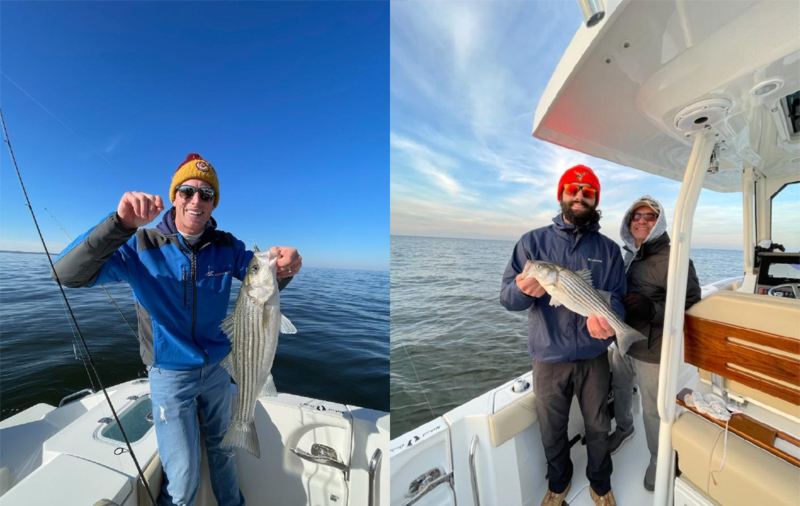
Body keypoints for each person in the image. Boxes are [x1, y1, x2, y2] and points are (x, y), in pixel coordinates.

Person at [52, 153, 302, 506]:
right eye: (187, 191)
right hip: (169, 375)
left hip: (219, 371)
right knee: (182, 481)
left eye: (206, 194)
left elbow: (261, 287)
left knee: (226, 458)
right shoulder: (140, 245)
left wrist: (287, 267)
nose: (196, 201)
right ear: (174, 196)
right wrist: (119, 224)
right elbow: (67, 274)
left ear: (214, 203)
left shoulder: (227, 246)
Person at [500, 165, 626, 506]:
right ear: (561, 195)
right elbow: (507, 298)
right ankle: (559, 484)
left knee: (599, 426)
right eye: (573, 189)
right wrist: (525, 290)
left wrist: (613, 325)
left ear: (596, 199)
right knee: (550, 430)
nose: (579, 196)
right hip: (548, 358)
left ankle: (600, 485)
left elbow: (617, 298)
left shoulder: (610, 250)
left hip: (594, 355)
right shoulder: (532, 242)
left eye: (588, 192)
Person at [606, 195, 700, 492]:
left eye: (650, 216)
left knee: (651, 408)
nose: (642, 221)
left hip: (652, 347)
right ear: (628, 222)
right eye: (637, 216)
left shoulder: (676, 258)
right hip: (621, 339)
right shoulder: (625, 255)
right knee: (620, 387)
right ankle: (623, 427)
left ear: (659, 223)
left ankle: (659, 458)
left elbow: (692, 303)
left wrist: (652, 310)